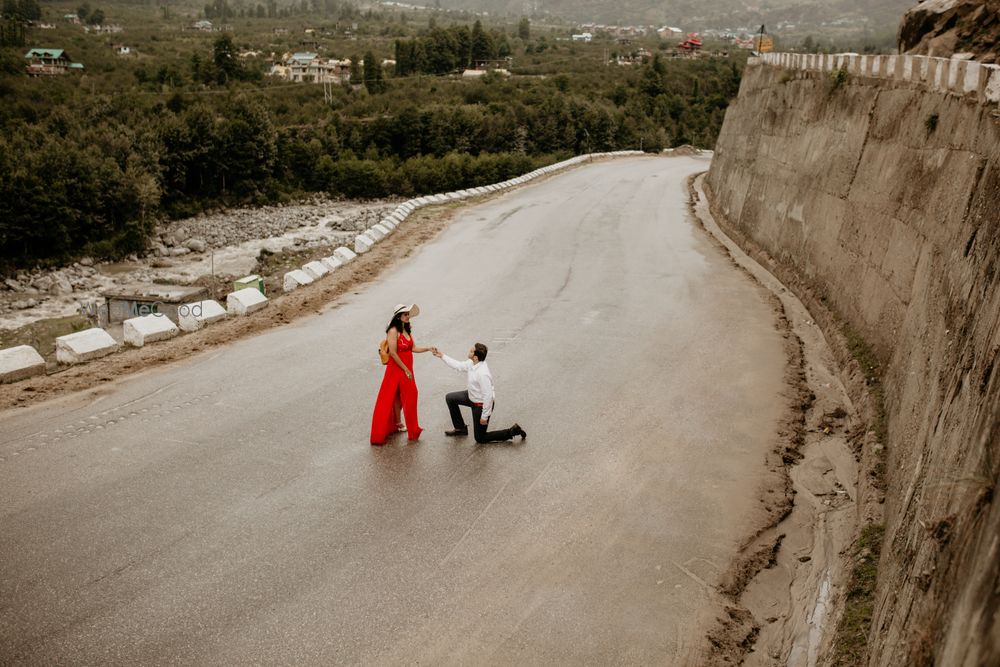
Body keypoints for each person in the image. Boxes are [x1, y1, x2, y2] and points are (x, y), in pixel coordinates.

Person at [432, 342, 526, 443]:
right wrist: (442, 356)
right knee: (450, 398)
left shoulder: (483, 374)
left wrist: (484, 416)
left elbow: (488, 397)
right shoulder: (472, 363)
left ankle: (512, 431)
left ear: (476, 357)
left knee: (480, 438)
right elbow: (458, 365)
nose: (469, 351)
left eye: (471, 351)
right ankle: (460, 429)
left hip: (480, 404)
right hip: (471, 396)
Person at [370, 304, 432, 445]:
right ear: (398, 316)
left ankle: (398, 423)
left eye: (408, 314)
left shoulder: (406, 330)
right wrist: (405, 369)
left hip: (407, 369)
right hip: (397, 368)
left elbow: (413, 348)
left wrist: (428, 348)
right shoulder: (393, 331)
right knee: (408, 394)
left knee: (398, 396)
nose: (408, 316)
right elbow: (393, 352)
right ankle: (411, 429)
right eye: (405, 314)